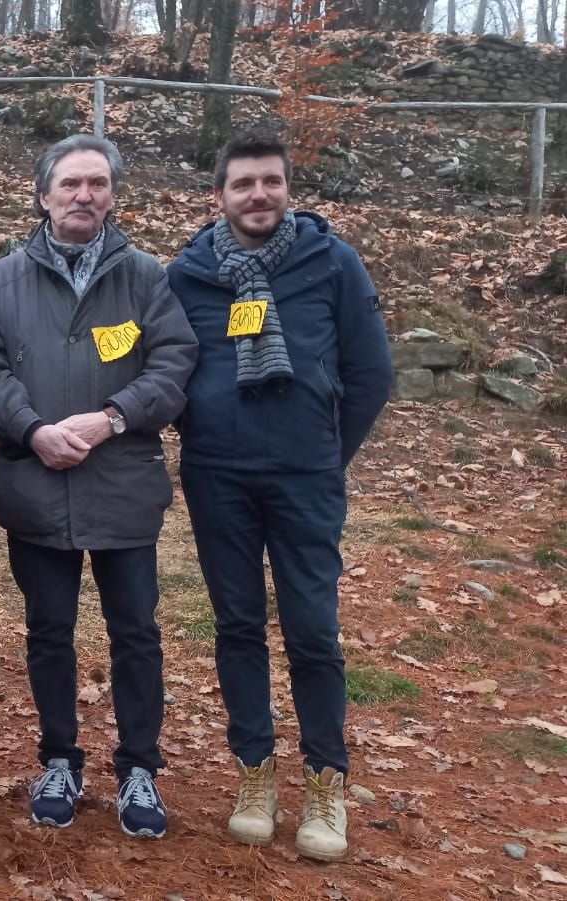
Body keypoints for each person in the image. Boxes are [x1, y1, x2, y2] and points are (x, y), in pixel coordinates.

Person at [167, 132, 393, 863]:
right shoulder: (188, 275)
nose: (258, 194)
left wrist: (325, 449)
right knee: (237, 625)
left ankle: (326, 781)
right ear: (219, 196)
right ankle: (254, 774)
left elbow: (371, 373)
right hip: (217, 476)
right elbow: (167, 365)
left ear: (288, 188)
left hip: (305, 477)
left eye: (270, 181)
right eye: (243, 184)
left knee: (312, 630)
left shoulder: (332, 262)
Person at [0, 134, 197, 839]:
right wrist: (33, 430)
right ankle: (59, 759)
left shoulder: (145, 277)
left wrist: (112, 417)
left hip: (123, 485)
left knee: (137, 632)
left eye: (97, 184)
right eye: (70, 184)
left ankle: (139, 767)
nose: (84, 195)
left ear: (113, 197)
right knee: (49, 631)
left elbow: (174, 361)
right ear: (44, 196)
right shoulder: (0, 282)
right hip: (35, 487)